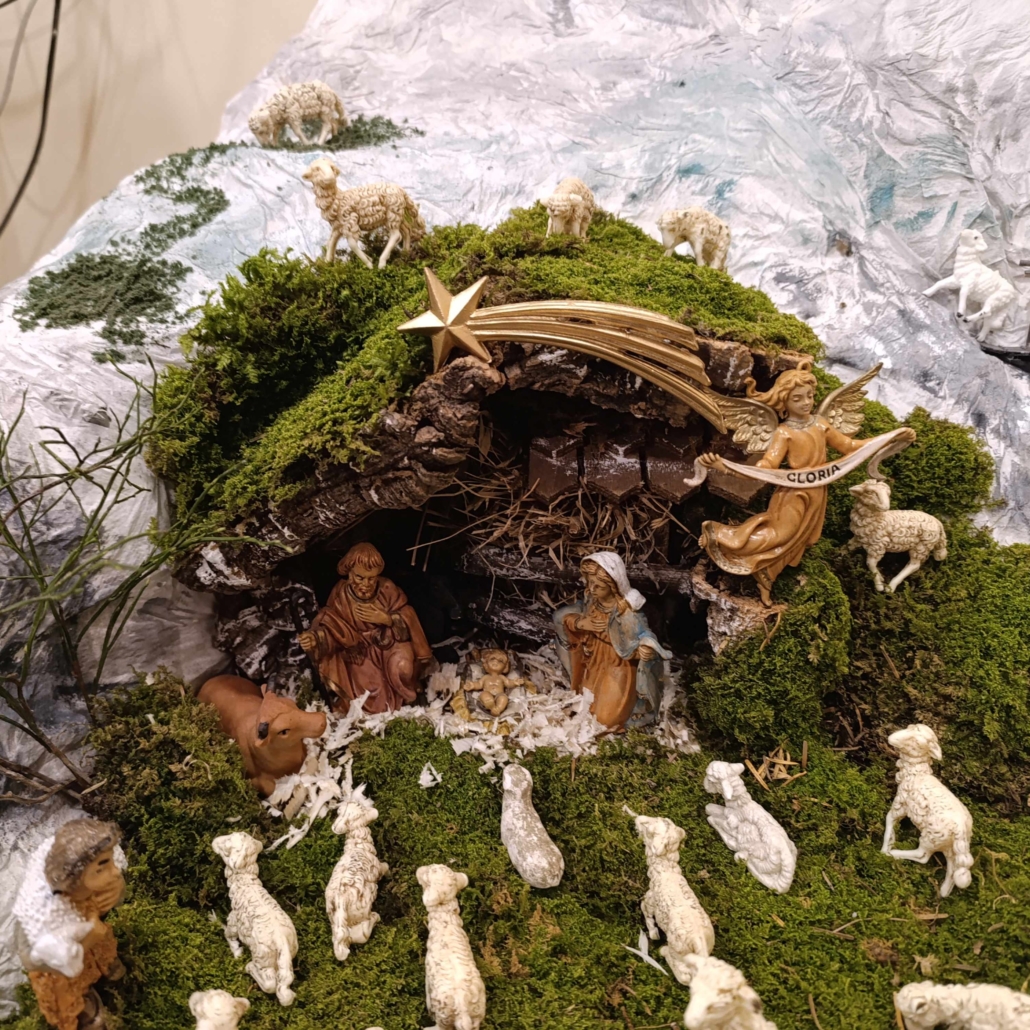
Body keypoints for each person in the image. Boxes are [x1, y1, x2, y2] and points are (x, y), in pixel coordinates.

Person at [697, 361, 914, 605]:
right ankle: (721, 536)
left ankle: (766, 577)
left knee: (801, 539)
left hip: (818, 492)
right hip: (793, 493)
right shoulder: (784, 432)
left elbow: (850, 446)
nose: (806, 402)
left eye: (809, 396)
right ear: (784, 402)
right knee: (782, 534)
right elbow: (768, 465)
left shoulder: (821, 424)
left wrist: (890, 437)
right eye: (797, 398)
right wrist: (728, 468)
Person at [15, 819, 126, 1030]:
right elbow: (43, 960)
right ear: (77, 873)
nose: (115, 871)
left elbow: (115, 894)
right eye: (103, 867)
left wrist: (116, 890)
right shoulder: (46, 914)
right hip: (59, 969)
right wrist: (90, 937)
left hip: (92, 940)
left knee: (104, 950)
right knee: (67, 992)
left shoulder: (92, 886)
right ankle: (82, 1006)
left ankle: (106, 967)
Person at [298, 542, 432, 713]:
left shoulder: (387, 589)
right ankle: (379, 714)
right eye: (360, 578)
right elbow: (331, 624)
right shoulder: (341, 594)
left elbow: (408, 617)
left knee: (403, 667)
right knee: (370, 686)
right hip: (360, 649)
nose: (366, 584)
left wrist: (387, 619)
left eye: (371, 578)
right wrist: (315, 638)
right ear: (349, 573)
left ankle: (407, 699)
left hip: (390, 643)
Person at [553, 552, 670, 731]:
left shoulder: (627, 613)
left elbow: (645, 635)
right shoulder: (592, 600)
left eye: (598, 586)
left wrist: (646, 649)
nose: (592, 589)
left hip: (618, 664)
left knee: (605, 720)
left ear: (613, 585)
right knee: (584, 706)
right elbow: (563, 617)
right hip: (594, 660)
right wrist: (580, 623)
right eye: (590, 583)